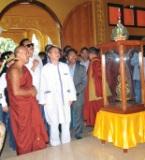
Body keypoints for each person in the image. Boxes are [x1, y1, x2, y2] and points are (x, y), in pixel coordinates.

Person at [6, 46, 48, 155]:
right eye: (26, 53)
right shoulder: (14, 70)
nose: (29, 55)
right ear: (18, 55)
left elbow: (27, 84)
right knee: (24, 133)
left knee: (33, 129)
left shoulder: (24, 68)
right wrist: (31, 91)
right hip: (21, 108)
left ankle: (34, 153)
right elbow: (16, 91)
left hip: (29, 104)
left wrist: (33, 88)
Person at [39, 46, 76, 146]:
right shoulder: (45, 69)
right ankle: (55, 142)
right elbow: (42, 85)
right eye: (54, 52)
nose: (57, 53)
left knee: (66, 120)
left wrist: (71, 97)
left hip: (65, 99)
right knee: (54, 122)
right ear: (49, 54)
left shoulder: (64, 66)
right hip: (51, 100)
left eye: (58, 51)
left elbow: (70, 82)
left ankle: (66, 141)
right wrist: (42, 100)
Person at [66, 48, 87, 139]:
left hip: (78, 95)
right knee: (67, 115)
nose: (74, 57)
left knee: (78, 114)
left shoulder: (81, 68)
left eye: (75, 55)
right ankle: (68, 132)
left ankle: (78, 133)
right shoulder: (63, 67)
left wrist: (75, 91)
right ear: (67, 57)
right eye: (71, 55)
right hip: (66, 96)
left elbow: (84, 82)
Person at [83, 47, 103, 126]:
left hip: (95, 89)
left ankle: (98, 123)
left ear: (90, 54)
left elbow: (99, 74)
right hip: (94, 87)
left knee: (96, 106)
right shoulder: (95, 61)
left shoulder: (96, 62)